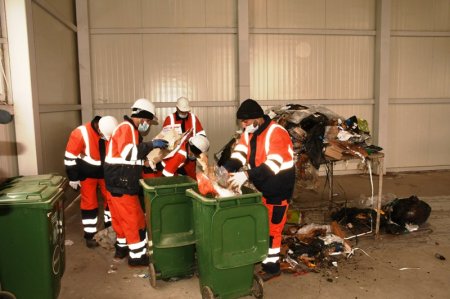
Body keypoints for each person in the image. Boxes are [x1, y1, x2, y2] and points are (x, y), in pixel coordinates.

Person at [224, 99, 295, 281]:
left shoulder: (277, 133)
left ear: (257, 118)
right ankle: (264, 257)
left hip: (279, 188)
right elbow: (240, 152)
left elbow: (272, 165)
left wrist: (246, 176)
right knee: (263, 225)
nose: (243, 125)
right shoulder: (249, 131)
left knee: (273, 229)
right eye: (241, 122)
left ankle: (272, 267)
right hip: (264, 186)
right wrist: (228, 168)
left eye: (245, 121)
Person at [104, 98, 168, 267]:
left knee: (120, 220)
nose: (147, 124)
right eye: (147, 121)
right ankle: (137, 257)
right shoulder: (127, 128)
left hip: (115, 182)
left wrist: (147, 162)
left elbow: (128, 159)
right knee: (134, 221)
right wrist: (152, 144)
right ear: (142, 117)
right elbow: (129, 154)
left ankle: (122, 249)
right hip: (122, 184)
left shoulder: (126, 129)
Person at [64, 115, 119, 248]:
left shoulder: (111, 129)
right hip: (87, 173)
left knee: (111, 199)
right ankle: (90, 235)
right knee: (89, 203)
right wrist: (73, 177)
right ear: (99, 129)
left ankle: (111, 228)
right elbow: (70, 157)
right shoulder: (80, 133)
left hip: (105, 172)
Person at [162, 96, 206, 176]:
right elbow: (164, 139)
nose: (184, 113)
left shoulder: (193, 118)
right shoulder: (170, 119)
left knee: (190, 179)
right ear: (177, 108)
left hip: (190, 156)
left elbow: (201, 135)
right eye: (182, 111)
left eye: (186, 111)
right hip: (175, 156)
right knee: (174, 179)